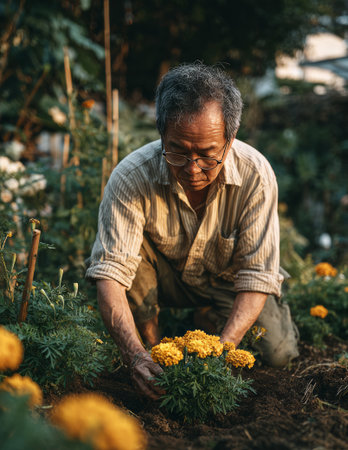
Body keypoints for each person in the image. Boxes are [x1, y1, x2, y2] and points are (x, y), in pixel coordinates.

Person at [86, 63, 299, 399]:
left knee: (277, 353)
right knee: (126, 261)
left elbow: (258, 275)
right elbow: (110, 274)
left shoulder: (256, 175)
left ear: (229, 141)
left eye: (206, 154)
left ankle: (212, 321)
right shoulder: (131, 177)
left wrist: (223, 351)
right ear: (161, 134)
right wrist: (136, 357)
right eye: (179, 152)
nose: (192, 168)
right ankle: (153, 343)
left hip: (228, 280)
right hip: (165, 277)